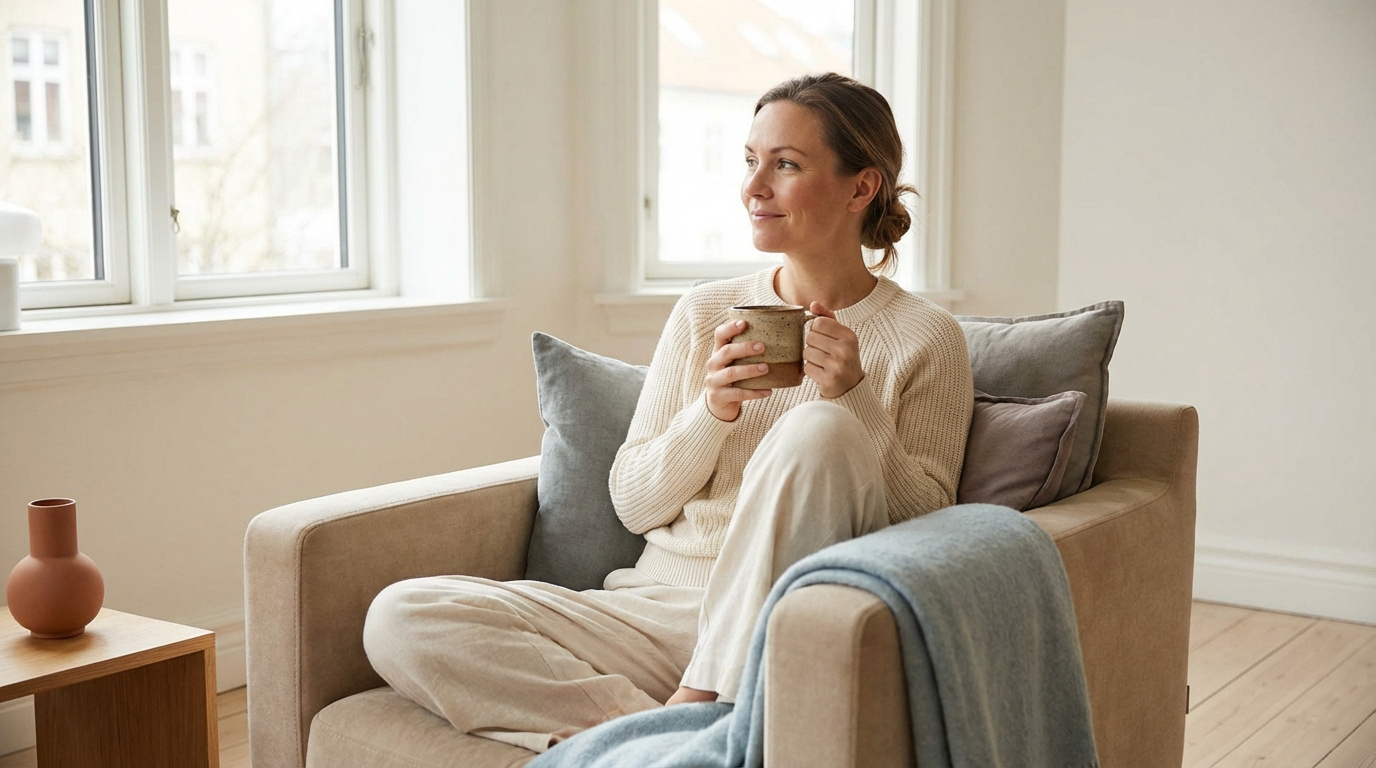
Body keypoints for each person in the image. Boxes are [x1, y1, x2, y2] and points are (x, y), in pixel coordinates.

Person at [362, 72, 973, 754]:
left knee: (820, 425)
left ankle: (694, 702)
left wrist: (854, 400)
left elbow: (932, 528)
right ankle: (649, 730)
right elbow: (632, 503)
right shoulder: (706, 312)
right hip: (651, 611)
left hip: (781, 622)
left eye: (786, 165)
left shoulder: (925, 337)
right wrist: (710, 412)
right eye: (750, 162)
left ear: (862, 187)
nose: (753, 189)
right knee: (400, 615)